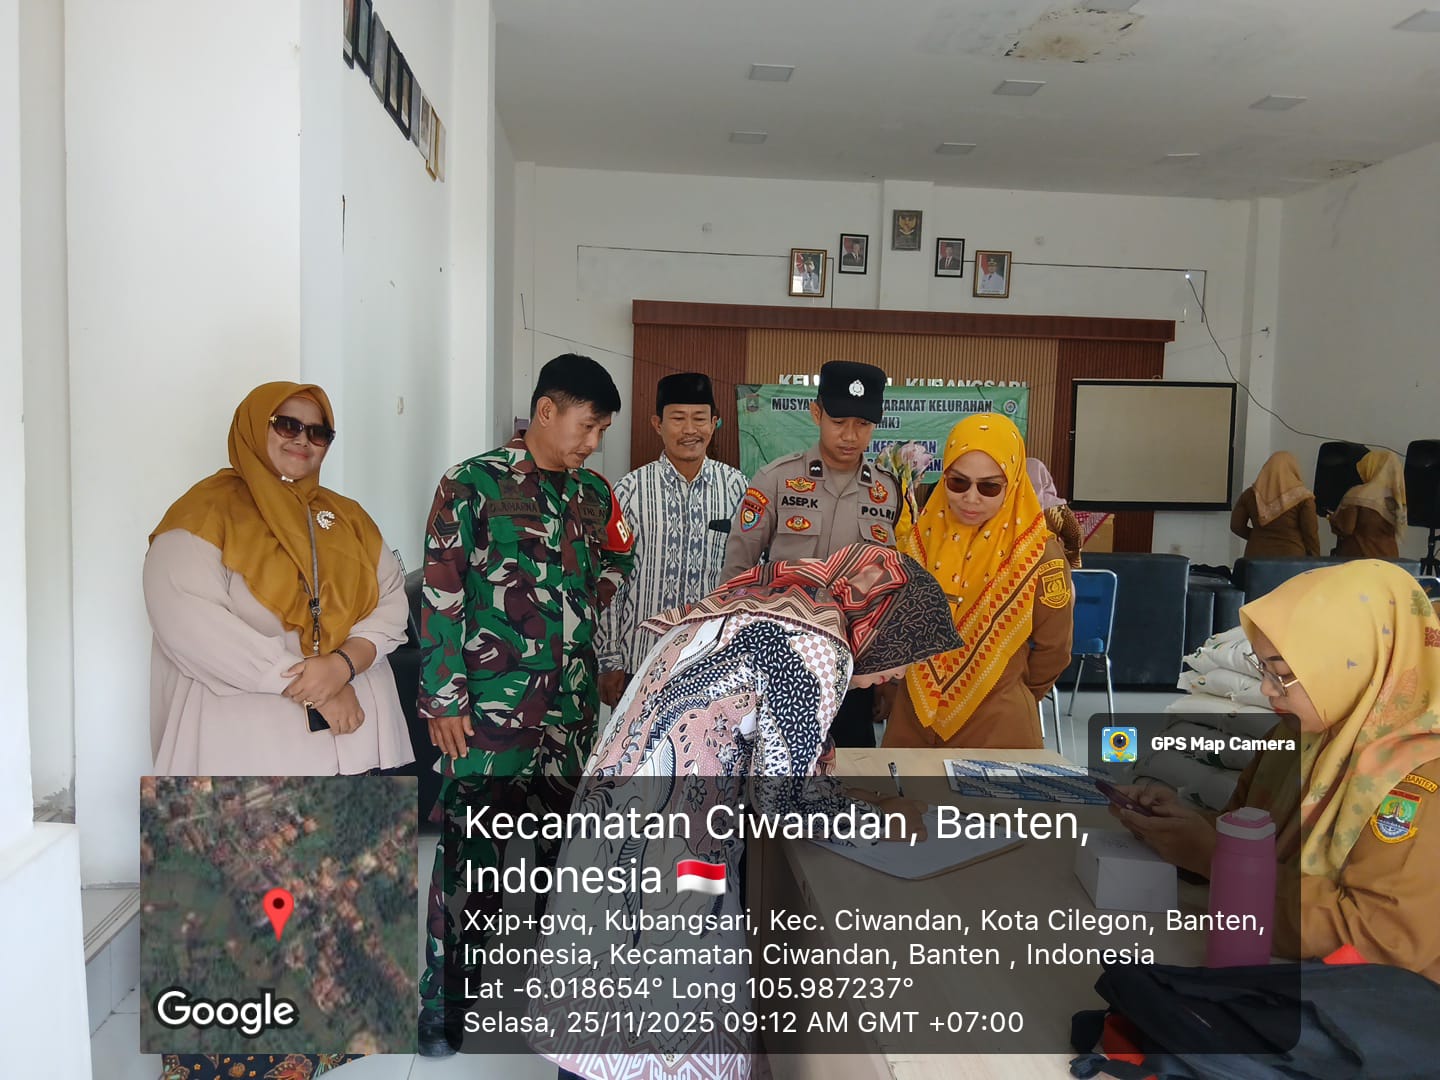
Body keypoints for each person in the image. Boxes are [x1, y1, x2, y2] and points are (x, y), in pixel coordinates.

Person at [527, 544, 964, 1080]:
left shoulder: (765, 602)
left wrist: (854, 796)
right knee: (669, 1005)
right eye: (905, 657)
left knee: (605, 986)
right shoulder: (819, 644)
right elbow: (781, 800)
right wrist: (881, 821)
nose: (894, 677)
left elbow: (765, 744)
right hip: (672, 846)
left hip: (613, 814)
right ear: (884, 627)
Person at [146, 382, 412, 1079]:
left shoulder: (347, 520)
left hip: (341, 746)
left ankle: (315, 1049)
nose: (303, 440)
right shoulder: (202, 514)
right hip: (245, 746)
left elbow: (390, 604)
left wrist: (344, 664)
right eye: (287, 425)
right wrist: (309, 679)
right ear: (252, 427)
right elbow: (185, 619)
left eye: (318, 432)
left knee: (326, 904)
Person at [414, 353, 635, 1057]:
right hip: (487, 711)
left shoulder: (594, 493)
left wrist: (584, 603)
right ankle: (447, 998)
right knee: (469, 854)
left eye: (601, 431)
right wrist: (444, 697)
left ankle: (550, 984)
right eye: (587, 426)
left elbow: (617, 560)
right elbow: (441, 592)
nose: (593, 442)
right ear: (546, 411)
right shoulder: (472, 483)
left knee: (561, 854)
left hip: (570, 713)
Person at [1112, 560, 1440, 980]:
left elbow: (1381, 940)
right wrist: (1181, 827)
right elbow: (1253, 834)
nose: (1267, 689)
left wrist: (1215, 860)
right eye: (1263, 669)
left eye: (1283, 674)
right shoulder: (1295, 738)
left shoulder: (1419, 778)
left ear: (1359, 665)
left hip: (1364, 1004)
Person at [722, 360, 901, 746]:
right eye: (838, 421)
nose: (850, 435)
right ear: (816, 413)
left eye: (863, 424)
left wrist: (887, 677)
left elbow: (892, 587)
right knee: (778, 764)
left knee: (851, 768)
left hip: (854, 669)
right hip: (783, 660)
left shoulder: (887, 492)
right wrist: (734, 657)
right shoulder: (775, 480)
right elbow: (737, 571)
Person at [884, 413, 1073, 749]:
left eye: (989, 487)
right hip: (912, 723)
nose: (971, 498)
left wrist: (1002, 688)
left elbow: (1054, 652)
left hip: (998, 726)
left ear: (1013, 484)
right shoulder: (918, 542)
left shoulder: (1040, 555)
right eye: (958, 483)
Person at [596, 372, 748, 707]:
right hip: (640, 662)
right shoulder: (629, 491)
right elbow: (610, 578)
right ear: (657, 424)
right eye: (678, 418)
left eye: (699, 418)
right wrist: (609, 659)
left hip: (712, 664)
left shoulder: (738, 488)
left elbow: (750, 577)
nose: (690, 429)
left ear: (714, 423)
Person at [1228, 451, 1321, 558]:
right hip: (1292, 558)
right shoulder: (1303, 498)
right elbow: (1311, 534)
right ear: (1293, 470)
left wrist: (1257, 538)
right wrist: (1316, 560)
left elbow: (1236, 526)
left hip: (1255, 557)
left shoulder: (1250, 494)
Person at [1329, 449, 1406, 559]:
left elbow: (1346, 528)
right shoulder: (1397, 499)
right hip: (1389, 560)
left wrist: (1332, 518)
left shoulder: (1357, 494)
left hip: (1361, 559)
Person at [1026, 457, 1085, 568]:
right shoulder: (1055, 510)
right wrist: (1071, 563)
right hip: (1049, 565)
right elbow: (1075, 535)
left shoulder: (999, 502)